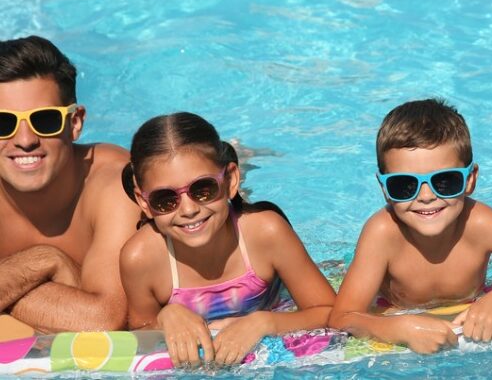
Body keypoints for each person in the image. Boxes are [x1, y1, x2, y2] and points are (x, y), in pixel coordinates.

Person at [328, 98, 492, 354]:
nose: (425, 196)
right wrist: (397, 328)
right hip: (392, 306)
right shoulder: (382, 233)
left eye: (445, 181)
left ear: (470, 179)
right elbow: (342, 317)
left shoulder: (480, 224)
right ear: (384, 188)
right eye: (403, 185)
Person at [119, 112, 335, 367]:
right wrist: (166, 316)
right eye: (165, 199)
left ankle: (239, 163)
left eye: (202, 189)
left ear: (231, 179)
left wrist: (265, 322)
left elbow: (332, 314)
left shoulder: (266, 233)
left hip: (272, 300)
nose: (188, 209)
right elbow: (140, 333)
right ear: (144, 202)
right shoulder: (140, 258)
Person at [0, 35, 140, 333]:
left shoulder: (115, 183)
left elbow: (103, 320)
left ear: (74, 123)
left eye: (45, 121)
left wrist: (14, 282)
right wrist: (45, 261)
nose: (25, 141)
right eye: (3, 124)